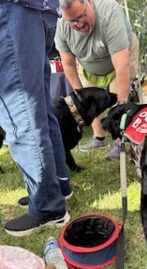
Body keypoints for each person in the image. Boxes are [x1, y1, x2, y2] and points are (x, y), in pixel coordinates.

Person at [0, 0, 72, 236]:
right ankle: (57, 186)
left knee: (19, 107)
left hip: (13, 9)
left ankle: (47, 205)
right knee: (38, 106)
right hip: (39, 10)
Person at [55, 0, 139, 160]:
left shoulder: (109, 13)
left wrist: (121, 104)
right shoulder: (62, 26)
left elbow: (121, 65)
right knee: (89, 100)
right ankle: (99, 138)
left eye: (81, 17)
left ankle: (120, 140)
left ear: (89, 3)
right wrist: (80, 96)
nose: (78, 24)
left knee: (116, 99)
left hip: (119, 57)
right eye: (72, 21)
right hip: (88, 63)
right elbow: (68, 64)